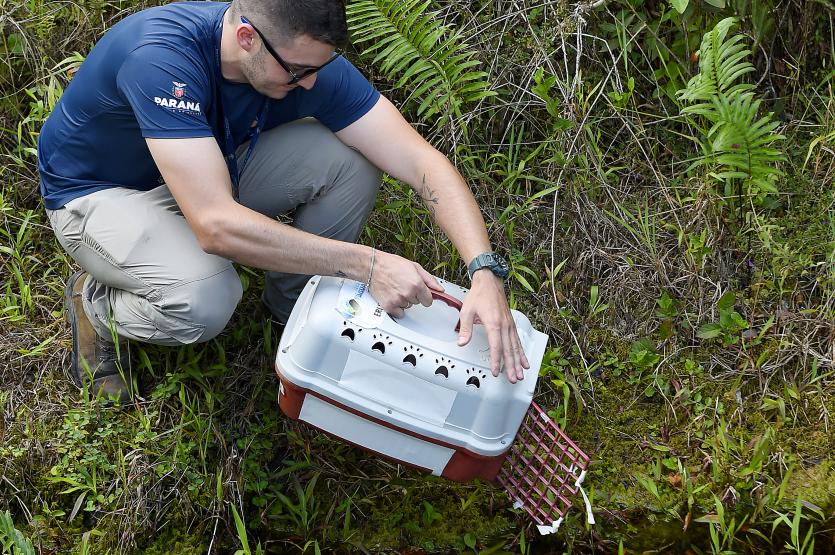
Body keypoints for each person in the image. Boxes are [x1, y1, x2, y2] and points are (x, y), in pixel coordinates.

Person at [39, 0, 529, 404]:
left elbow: (421, 160)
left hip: (207, 168)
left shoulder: (301, 60)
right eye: (298, 71)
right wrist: (370, 265)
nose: (311, 84)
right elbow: (215, 225)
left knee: (348, 161)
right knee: (207, 298)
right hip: (101, 194)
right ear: (248, 37)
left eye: (320, 68)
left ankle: (295, 312)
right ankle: (96, 305)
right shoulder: (162, 56)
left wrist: (484, 271)